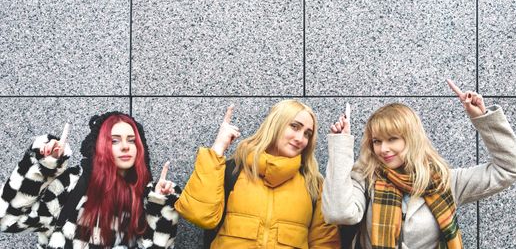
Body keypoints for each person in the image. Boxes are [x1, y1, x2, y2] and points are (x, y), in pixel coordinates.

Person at [322, 80, 516, 249]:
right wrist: (341, 145)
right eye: (377, 141)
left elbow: (510, 167)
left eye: (392, 139)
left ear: (411, 139)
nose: (383, 149)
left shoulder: (446, 181)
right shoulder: (366, 177)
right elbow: (338, 213)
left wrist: (481, 117)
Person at [0, 111, 180, 249]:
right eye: (114, 140)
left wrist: (160, 205)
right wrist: (43, 168)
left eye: (131, 140)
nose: (125, 146)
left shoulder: (143, 196)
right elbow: (7, 219)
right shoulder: (73, 184)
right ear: (100, 145)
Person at [175, 100, 341, 248]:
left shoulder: (313, 184)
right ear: (275, 125)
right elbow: (199, 214)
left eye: (307, 134)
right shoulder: (235, 170)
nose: (300, 138)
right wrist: (218, 148)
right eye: (294, 126)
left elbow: (325, 243)